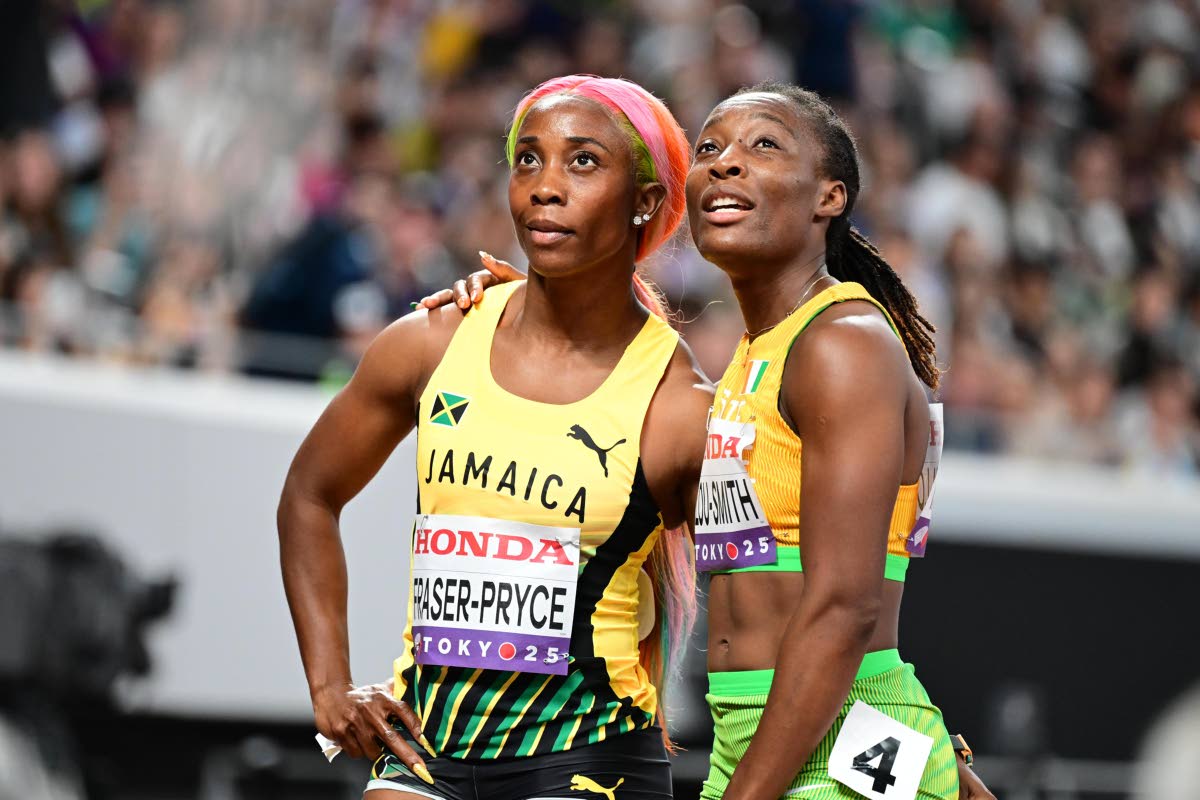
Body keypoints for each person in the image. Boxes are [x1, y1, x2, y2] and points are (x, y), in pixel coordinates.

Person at [431, 81, 996, 800]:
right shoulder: (757, 355)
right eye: (708, 149)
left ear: (829, 197)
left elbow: (845, 608)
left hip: (826, 739)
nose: (725, 163)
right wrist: (541, 304)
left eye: (764, 145)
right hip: (778, 734)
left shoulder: (842, 345)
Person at [277, 75, 712, 800]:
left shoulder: (677, 405)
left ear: (643, 200)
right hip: (426, 746)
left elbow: (782, 607)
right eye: (527, 159)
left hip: (589, 755)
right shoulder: (429, 342)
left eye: (582, 162)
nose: (545, 186)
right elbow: (308, 496)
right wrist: (328, 685)